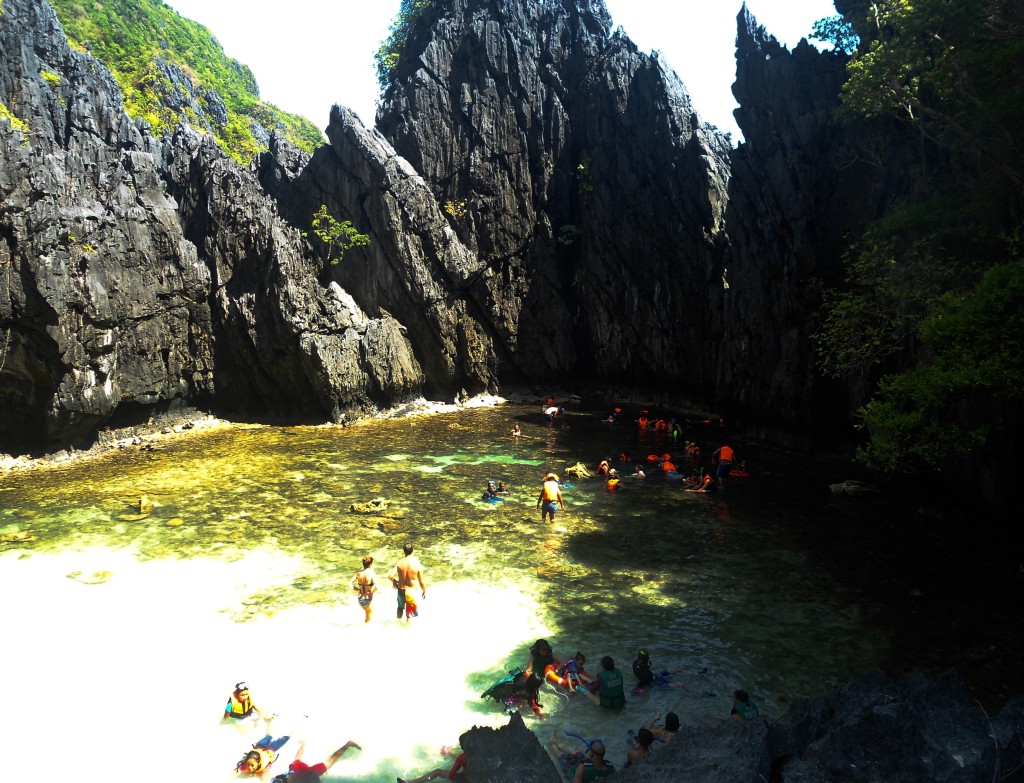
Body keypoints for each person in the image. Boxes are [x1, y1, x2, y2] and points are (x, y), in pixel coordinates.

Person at [274, 739, 361, 782]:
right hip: (300, 774)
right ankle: (348, 745)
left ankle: (303, 744)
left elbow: (281, 775)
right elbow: (281, 775)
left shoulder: (279, 780)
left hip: (299, 774)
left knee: (330, 762)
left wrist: (288, 773)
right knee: (329, 762)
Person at [388, 543, 426, 622]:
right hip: (411, 591)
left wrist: (394, 582)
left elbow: (390, 576)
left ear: (404, 551)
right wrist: (424, 591)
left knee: (400, 609)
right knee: (409, 615)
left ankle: (397, 626)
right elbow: (421, 582)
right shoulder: (417, 564)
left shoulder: (399, 562)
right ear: (413, 551)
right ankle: (406, 632)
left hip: (401, 590)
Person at [397, 750, 468, 783]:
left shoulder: (463, 756)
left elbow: (452, 774)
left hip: (463, 779)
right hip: (472, 779)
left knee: (438, 772)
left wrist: (454, 780)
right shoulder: (476, 755)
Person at [351, 555, 378, 623]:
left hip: (360, 598)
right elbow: (378, 587)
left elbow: (349, 584)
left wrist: (358, 590)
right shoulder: (372, 574)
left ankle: (365, 628)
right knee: (370, 613)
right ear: (371, 564)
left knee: (368, 613)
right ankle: (367, 630)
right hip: (367, 597)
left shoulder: (358, 573)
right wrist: (372, 592)